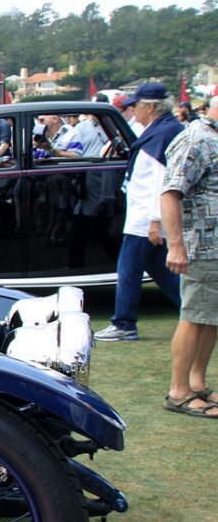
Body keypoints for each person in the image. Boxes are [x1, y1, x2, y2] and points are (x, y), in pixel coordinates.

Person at [96, 83, 183, 341]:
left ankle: (124, 323)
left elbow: (160, 180)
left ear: (151, 107)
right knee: (160, 269)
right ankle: (198, 310)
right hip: (145, 216)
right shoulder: (160, 131)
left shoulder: (162, 134)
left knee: (128, 270)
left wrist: (155, 220)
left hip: (147, 219)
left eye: (137, 105)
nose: (133, 110)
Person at [160, 96, 218, 417]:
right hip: (202, 246)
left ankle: (197, 383)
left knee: (209, 318)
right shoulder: (197, 138)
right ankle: (179, 391)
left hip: (213, 247)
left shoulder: (211, 138)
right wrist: (176, 245)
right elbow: (170, 191)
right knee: (194, 317)